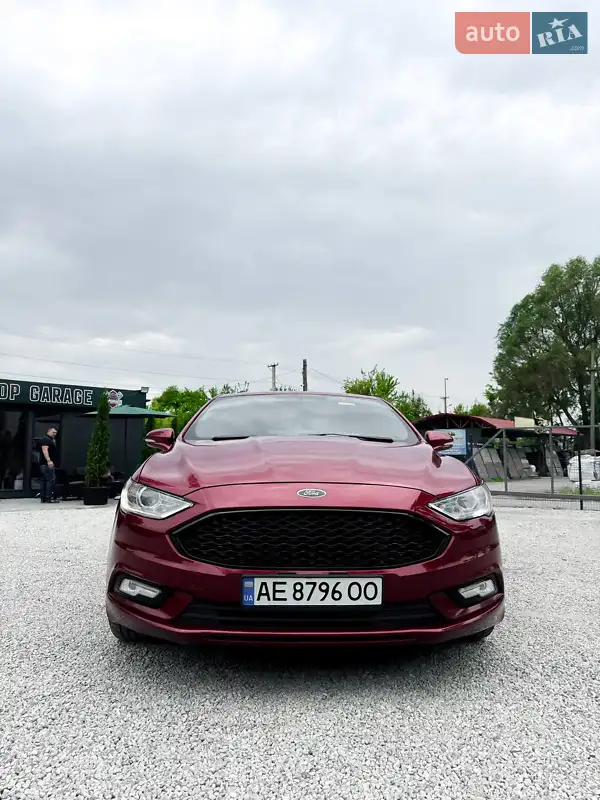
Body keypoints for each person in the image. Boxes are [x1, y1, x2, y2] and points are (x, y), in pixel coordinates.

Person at [38, 427, 60, 503]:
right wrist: (49, 461)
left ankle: (43, 498)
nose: (55, 434)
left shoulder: (48, 440)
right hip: (46, 464)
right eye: (53, 432)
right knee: (50, 480)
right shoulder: (46, 439)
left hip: (43, 464)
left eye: (55, 433)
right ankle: (48, 498)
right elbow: (45, 450)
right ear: (49, 431)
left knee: (44, 480)